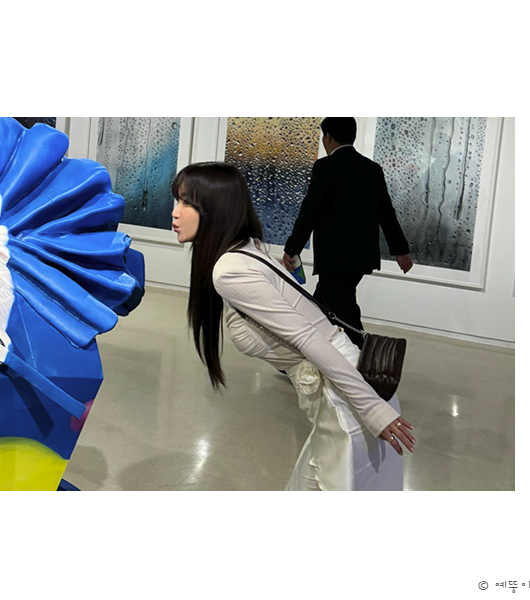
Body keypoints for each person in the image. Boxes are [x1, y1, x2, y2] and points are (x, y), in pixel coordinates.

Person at [172, 162, 415, 491]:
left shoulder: (229, 269)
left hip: (346, 396)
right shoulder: (247, 249)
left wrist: (372, 408)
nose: (175, 212)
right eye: (177, 200)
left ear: (216, 208)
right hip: (349, 385)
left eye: (186, 202)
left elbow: (307, 337)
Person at [283, 117, 413, 348]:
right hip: (362, 256)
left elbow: (309, 212)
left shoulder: (325, 167)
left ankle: (365, 358)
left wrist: (292, 249)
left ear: (328, 137)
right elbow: (386, 213)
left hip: (334, 258)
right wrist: (400, 251)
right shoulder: (372, 169)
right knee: (320, 307)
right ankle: (310, 352)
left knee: (345, 315)